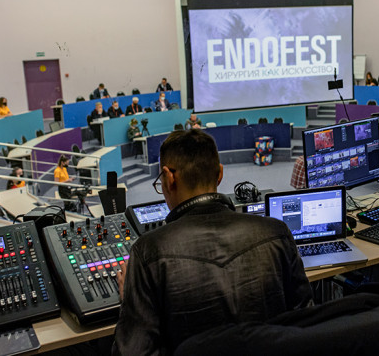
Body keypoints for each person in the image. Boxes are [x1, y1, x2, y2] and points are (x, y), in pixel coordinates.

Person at [113, 129, 312, 355]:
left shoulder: (147, 252)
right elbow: (305, 325)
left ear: (168, 178)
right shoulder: (277, 232)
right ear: (220, 174)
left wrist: (129, 302)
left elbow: (134, 352)